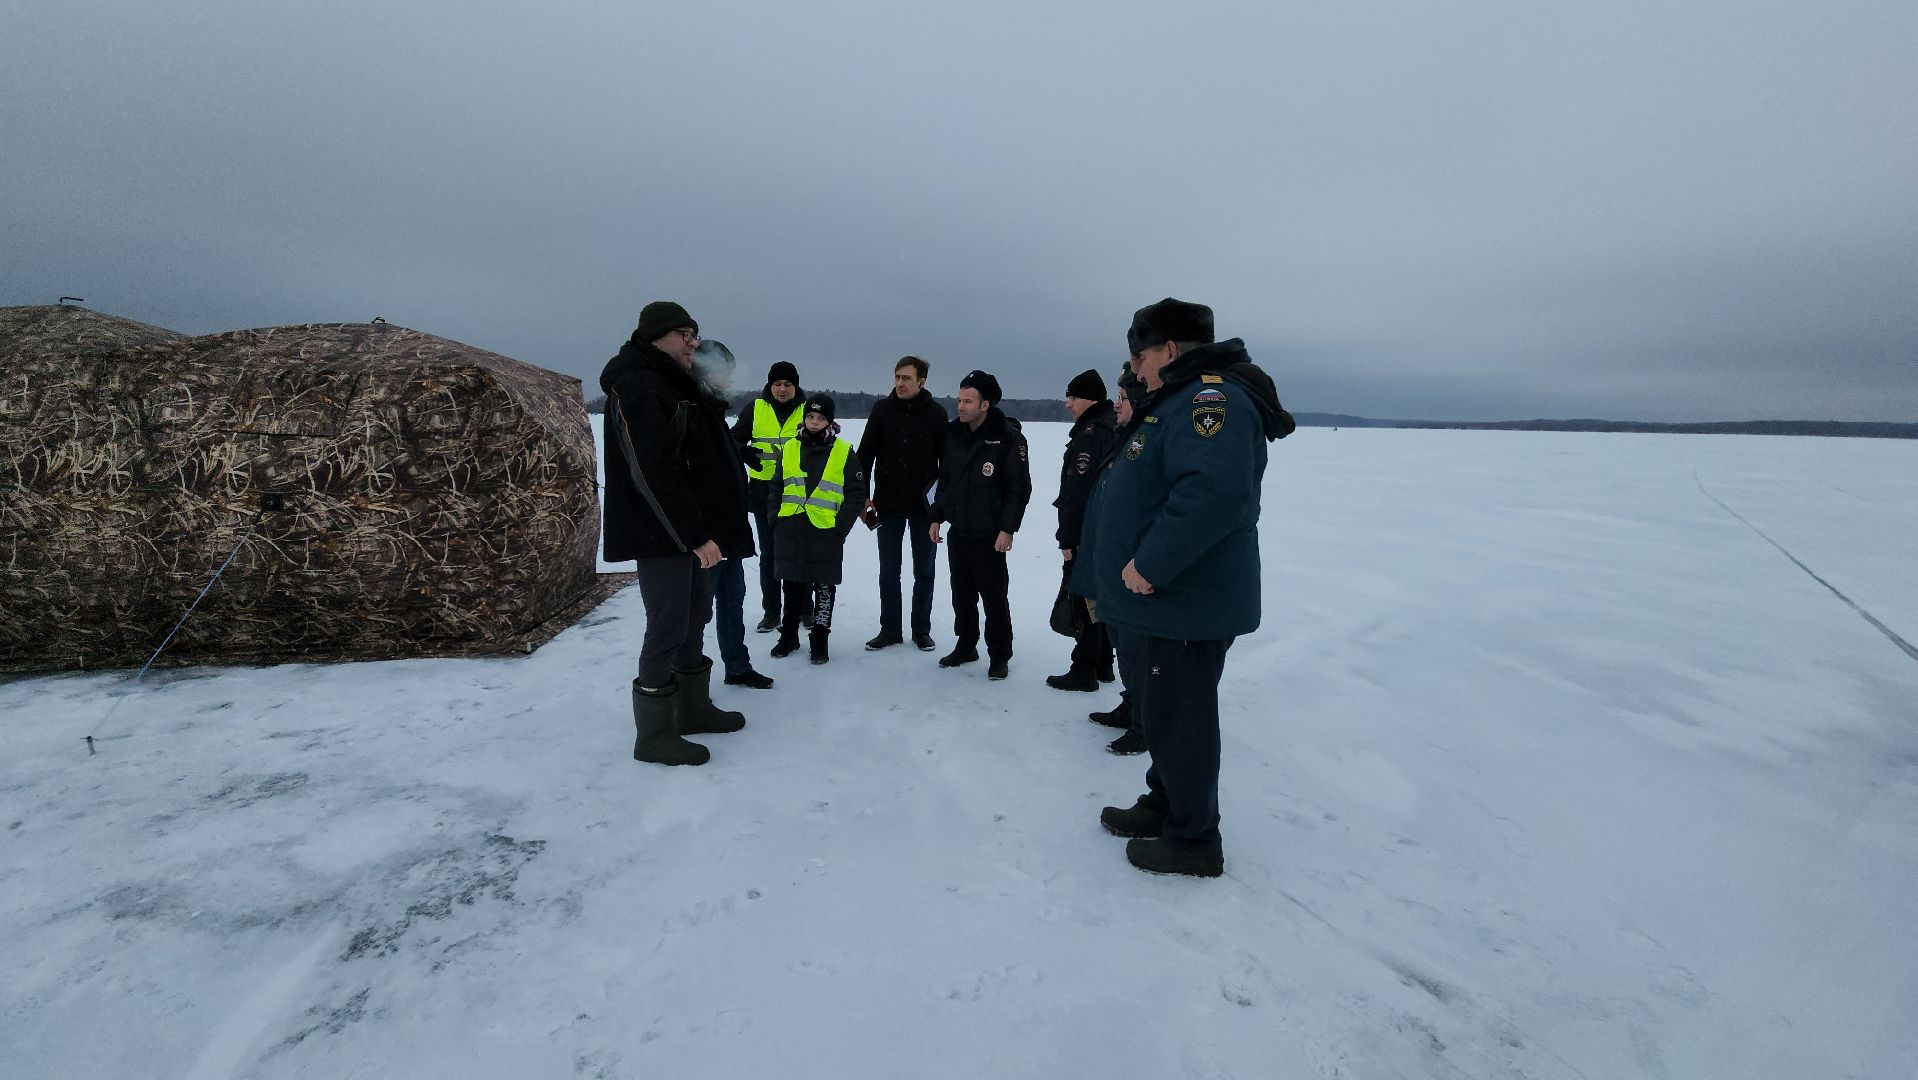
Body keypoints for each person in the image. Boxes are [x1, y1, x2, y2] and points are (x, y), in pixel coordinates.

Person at [1074, 298, 1294, 876]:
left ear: (1169, 350)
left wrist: (1150, 564)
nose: (1135, 369)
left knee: (1183, 716)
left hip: (1186, 599)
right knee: (1168, 711)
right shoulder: (1175, 399)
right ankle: (1168, 803)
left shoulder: (1209, 401)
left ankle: (1194, 840)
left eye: (1140, 355)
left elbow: (1214, 495)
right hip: (1170, 603)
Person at [600, 301, 757, 767]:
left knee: (694, 618)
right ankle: (654, 734)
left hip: (694, 532)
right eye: (685, 334)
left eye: (694, 334)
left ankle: (691, 708)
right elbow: (653, 471)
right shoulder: (638, 385)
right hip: (663, 533)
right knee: (667, 625)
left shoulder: (678, 383)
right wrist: (694, 535)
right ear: (656, 336)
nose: (694, 343)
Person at [928, 370, 1031, 681]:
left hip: (990, 534)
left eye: (968, 401)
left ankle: (999, 655)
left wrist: (1007, 529)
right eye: (959, 400)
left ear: (985, 404)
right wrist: (936, 515)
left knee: (994, 597)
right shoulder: (953, 435)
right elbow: (944, 481)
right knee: (961, 593)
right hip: (959, 530)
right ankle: (966, 644)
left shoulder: (1008, 439)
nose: (960, 406)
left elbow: (1018, 489)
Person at [692, 339, 774, 690]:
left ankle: (738, 667)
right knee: (695, 615)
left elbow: (724, 456)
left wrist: (744, 453)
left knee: (732, 604)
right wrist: (699, 536)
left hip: (730, 533)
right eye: (721, 372)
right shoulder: (692, 413)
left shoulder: (713, 414)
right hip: (706, 539)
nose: (728, 380)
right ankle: (685, 684)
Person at [766, 394, 869, 664]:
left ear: (830, 421)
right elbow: (776, 486)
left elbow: (856, 494)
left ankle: (820, 640)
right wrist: (774, 516)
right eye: (810, 417)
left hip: (825, 533)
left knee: (824, 590)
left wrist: (839, 527)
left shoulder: (843, 450)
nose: (814, 422)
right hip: (790, 530)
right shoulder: (789, 447)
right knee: (791, 586)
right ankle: (788, 636)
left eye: (820, 418)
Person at [856, 355, 947, 653]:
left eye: (906, 378)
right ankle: (890, 629)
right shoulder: (882, 410)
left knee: (925, 571)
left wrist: (940, 507)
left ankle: (921, 629)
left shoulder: (936, 414)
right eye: (897, 377)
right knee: (888, 570)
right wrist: (863, 496)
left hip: (923, 508)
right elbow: (865, 455)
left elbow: (946, 464)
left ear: (921, 381)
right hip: (888, 503)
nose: (900, 383)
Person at [1087, 360, 1151, 755]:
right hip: (1114, 563)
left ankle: (1146, 725)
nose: (1116, 405)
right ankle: (1131, 706)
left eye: (1124, 399)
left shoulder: (1144, 441)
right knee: (1122, 645)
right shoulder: (1123, 438)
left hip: (1135, 566)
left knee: (1138, 649)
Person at [1046, 367, 1120, 693]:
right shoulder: (1109, 427)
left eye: (1073, 397)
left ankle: (1084, 668)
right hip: (1104, 532)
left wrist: (1068, 539)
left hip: (1088, 535)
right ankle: (1104, 662)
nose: (1068, 404)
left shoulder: (1091, 435)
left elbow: (1078, 493)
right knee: (1099, 597)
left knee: (1085, 600)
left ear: (1089, 399)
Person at [731, 361, 805, 633]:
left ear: (795, 386)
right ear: (770, 385)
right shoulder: (755, 408)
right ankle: (772, 612)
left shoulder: (807, 410)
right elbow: (733, 440)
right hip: (764, 493)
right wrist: (745, 453)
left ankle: (804, 610)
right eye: (777, 384)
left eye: (787, 384)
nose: (782, 389)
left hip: (799, 493)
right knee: (770, 556)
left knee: (798, 554)